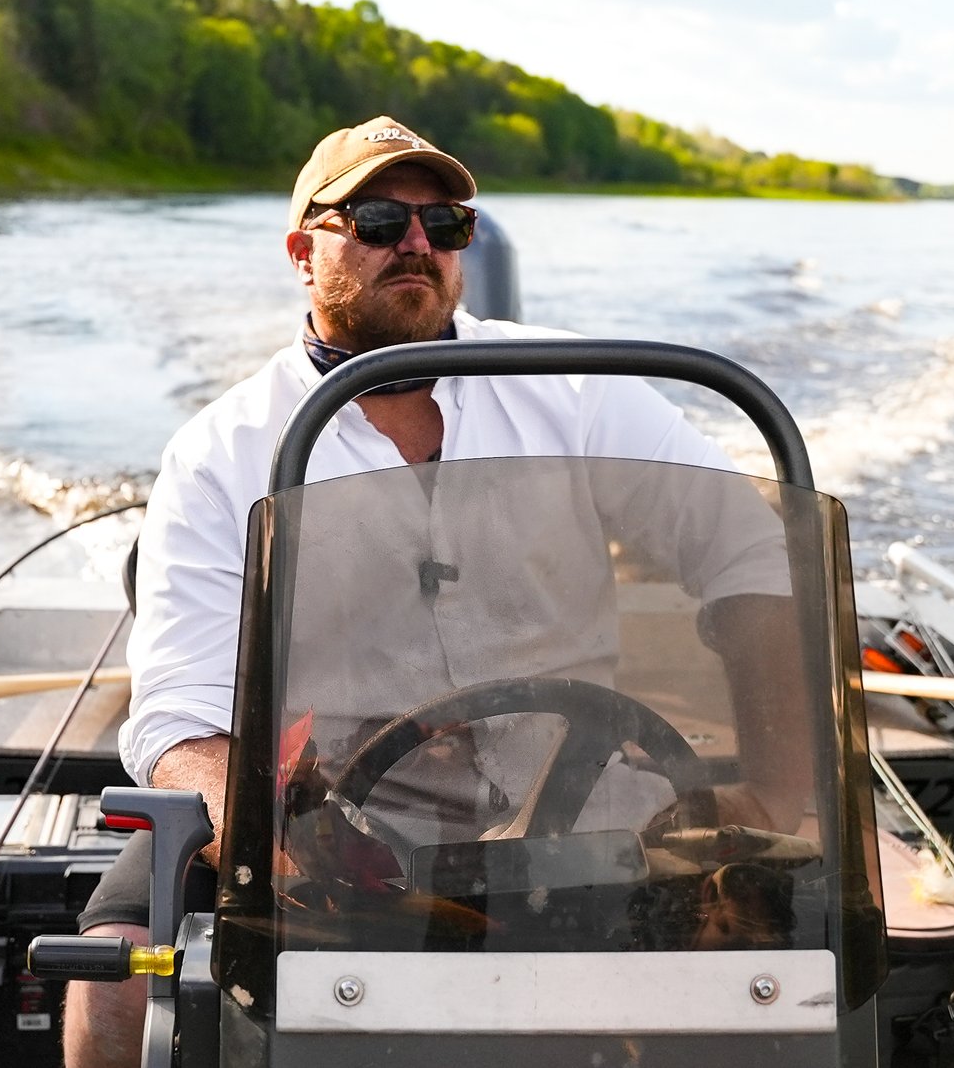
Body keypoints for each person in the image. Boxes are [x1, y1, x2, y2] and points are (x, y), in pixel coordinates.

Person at [63, 116, 785, 1067]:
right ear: (301, 250)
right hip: (333, 828)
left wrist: (783, 789)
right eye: (376, 218)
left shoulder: (577, 390)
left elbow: (751, 551)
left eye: (444, 223)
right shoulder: (220, 454)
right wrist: (266, 844)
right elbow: (179, 716)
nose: (416, 242)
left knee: (764, 976)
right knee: (111, 988)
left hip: (593, 807)